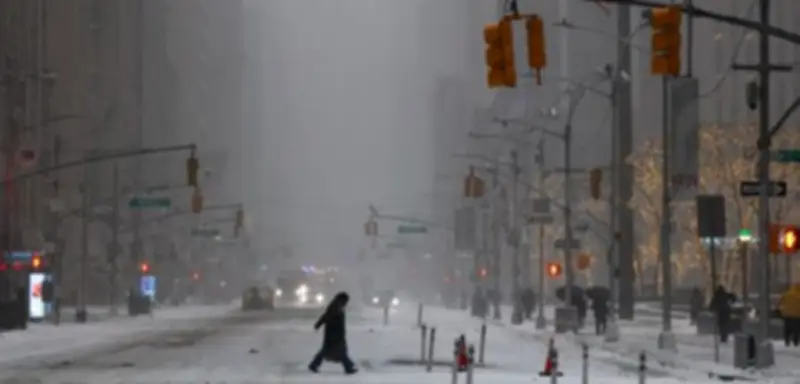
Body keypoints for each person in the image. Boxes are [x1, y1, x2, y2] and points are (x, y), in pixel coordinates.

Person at [309, 292, 358, 374]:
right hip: (334, 333)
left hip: (334, 333)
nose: (346, 304)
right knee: (339, 351)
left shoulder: (336, 306)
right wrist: (318, 324)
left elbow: (325, 317)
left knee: (327, 351)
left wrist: (318, 324)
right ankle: (348, 367)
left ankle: (314, 365)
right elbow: (326, 317)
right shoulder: (336, 308)